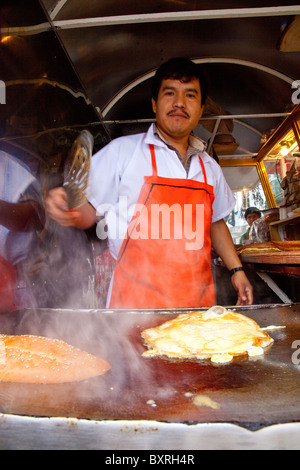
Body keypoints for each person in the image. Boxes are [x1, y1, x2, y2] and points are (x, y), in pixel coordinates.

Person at [46, 57, 253, 308]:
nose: (179, 103)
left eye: (190, 95)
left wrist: (236, 270)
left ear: (200, 110)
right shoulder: (122, 153)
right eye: (170, 93)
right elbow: (88, 211)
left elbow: (216, 222)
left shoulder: (209, 167)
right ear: (154, 104)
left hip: (196, 310)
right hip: (132, 309)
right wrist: (67, 205)